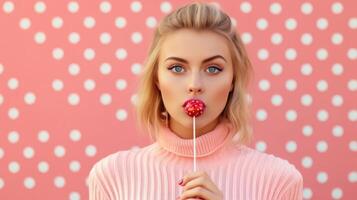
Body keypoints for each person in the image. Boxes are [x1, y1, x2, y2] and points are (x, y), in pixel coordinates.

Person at [88, 2, 303, 200]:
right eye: (177, 68)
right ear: (157, 79)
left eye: (213, 69)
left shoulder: (279, 181)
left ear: (232, 81)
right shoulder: (111, 176)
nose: (194, 84)